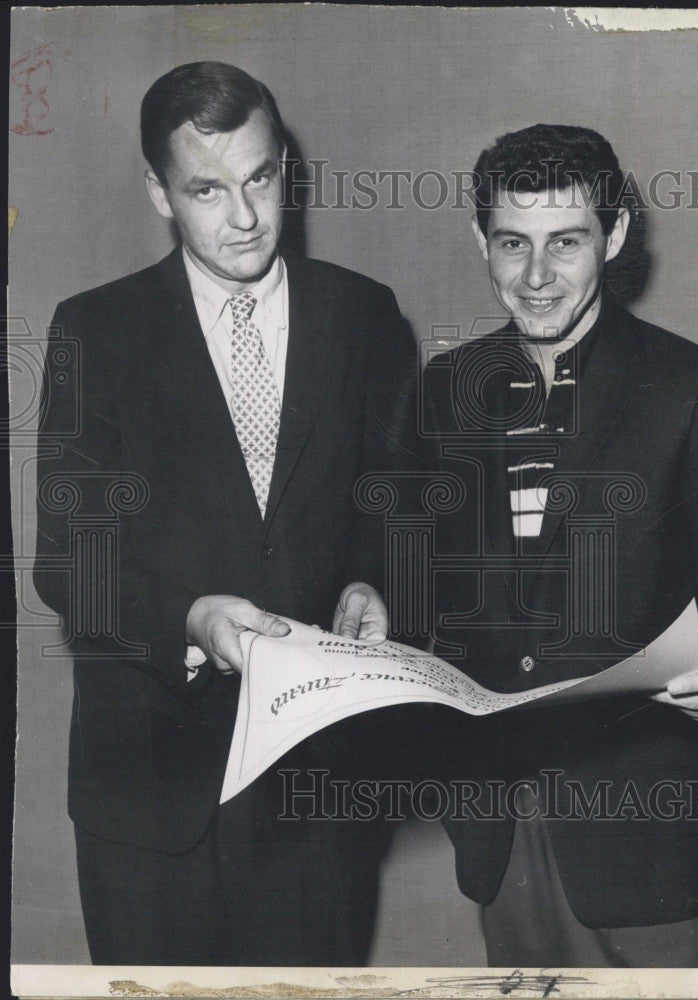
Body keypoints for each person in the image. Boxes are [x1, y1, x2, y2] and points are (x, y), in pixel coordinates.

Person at [34, 61, 416, 966]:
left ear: (287, 167)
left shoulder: (364, 316)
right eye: (206, 189)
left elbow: (395, 499)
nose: (243, 218)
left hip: (316, 797)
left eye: (261, 178)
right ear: (159, 194)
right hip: (149, 795)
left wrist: (373, 576)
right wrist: (192, 619)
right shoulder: (95, 329)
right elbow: (67, 562)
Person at [420, 125, 698, 966]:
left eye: (567, 242)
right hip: (501, 832)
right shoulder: (445, 392)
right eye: (512, 243)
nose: (536, 275)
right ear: (478, 238)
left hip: (657, 837)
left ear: (617, 235)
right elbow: (412, 576)